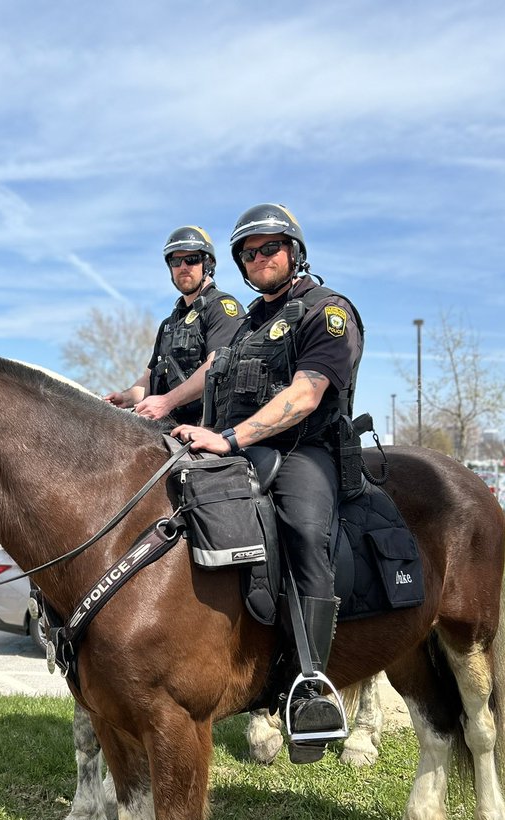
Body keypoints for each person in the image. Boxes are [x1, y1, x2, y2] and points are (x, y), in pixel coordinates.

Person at [172, 203, 364, 763]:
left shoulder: (327, 311)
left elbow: (306, 394)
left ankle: (311, 684)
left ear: (294, 251)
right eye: (248, 254)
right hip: (239, 448)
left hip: (307, 451)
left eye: (269, 248)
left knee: (304, 531)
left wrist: (230, 439)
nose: (258, 259)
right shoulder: (251, 321)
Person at [104, 226, 242, 425]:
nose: (183, 266)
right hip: (170, 427)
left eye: (192, 259)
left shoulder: (222, 308)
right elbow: (151, 376)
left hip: (212, 429)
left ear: (208, 263)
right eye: (175, 261)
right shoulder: (169, 324)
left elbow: (216, 366)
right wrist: (124, 398)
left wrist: (167, 401)